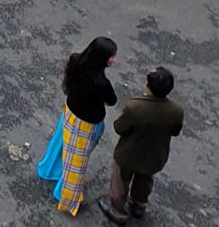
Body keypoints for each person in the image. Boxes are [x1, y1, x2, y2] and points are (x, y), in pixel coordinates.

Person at [36, 36, 118, 215]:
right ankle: (66, 195)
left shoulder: (76, 61)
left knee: (60, 144)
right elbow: (112, 100)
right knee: (76, 162)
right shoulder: (102, 83)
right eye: (112, 56)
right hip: (87, 123)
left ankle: (49, 170)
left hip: (70, 112)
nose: (114, 59)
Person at [100, 67, 185, 224]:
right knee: (144, 181)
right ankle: (138, 206)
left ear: (148, 85)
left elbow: (120, 127)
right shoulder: (176, 111)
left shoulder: (135, 107)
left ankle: (117, 211)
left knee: (120, 182)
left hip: (129, 153)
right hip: (154, 155)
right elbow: (175, 131)